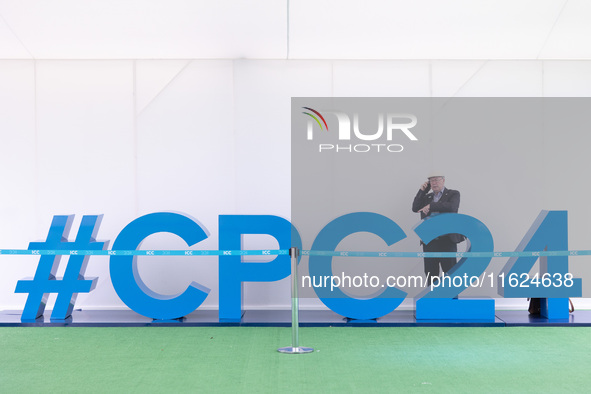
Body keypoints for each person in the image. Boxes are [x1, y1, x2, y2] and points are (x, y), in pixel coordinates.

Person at [412, 174, 461, 283]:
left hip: (447, 241)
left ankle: (452, 300)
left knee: (450, 275)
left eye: (436, 180)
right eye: (431, 181)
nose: (434, 183)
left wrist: (431, 206)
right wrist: (422, 191)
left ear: (443, 180)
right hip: (429, 241)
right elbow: (415, 208)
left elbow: (452, 207)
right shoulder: (427, 197)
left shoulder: (453, 193)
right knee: (431, 275)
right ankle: (432, 300)